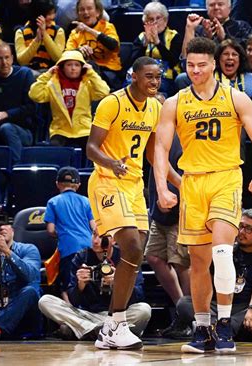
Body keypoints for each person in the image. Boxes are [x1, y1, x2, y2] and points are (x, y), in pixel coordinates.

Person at [154, 37, 252, 353]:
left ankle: (224, 325)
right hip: (192, 183)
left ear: (214, 64)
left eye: (202, 65)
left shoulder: (236, 98)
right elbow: (161, 148)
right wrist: (163, 187)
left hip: (226, 178)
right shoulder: (174, 102)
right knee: (199, 261)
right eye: (190, 65)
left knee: (221, 252)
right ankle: (203, 327)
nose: (195, 70)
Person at [86, 56, 179, 350]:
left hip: (135, 185)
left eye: (158, 77)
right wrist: (111, 163)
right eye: (149, 77)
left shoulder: (155, 108)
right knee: (133, 247)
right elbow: (90, 148)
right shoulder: (112, 103)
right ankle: (116, 324)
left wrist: (179, 182)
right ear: (134, 77)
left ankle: (113, 326)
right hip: (107, 181)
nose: (154, 82)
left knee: (135, 255)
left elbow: (154, 156)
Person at [176, 208, 252, 342]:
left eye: (248, 229)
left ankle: (217, 331)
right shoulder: (229, 249)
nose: (241, 232)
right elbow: (207, 279)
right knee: (185, 302)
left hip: (249, 307)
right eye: (240, 226)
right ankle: (218, 329)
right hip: (225, 307)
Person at [38, 233, 151, 341]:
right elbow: (73, 301)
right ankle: (103, 331)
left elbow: (139, 294)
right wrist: (80, 285)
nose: (96, 241)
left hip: (118, 315)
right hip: (88, 315)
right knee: (45, 301)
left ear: (114, 239)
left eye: (102, 237)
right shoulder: (81, 257)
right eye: (94, 235)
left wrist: (119, 282)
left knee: (144, 310)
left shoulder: (126, 258)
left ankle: (82, 330)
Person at [145, 134, 192, 339]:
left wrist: (171, 198)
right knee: (153, 257)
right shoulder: (154, 137)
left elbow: (185, 175)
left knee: (181, 263)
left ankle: (191, 318)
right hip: (157, 211)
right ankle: (183, 313)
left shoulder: (183, 136)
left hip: (180, 210)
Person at [28, 49, 110, 158]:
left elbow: (104, 91)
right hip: (60, 130)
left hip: (84, 130)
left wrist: (91, 73)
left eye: (77, 65)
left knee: (95, 151)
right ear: (62, 66)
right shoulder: (53, 84)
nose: (73, 68)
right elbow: (34, 94)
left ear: (82, 67)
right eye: (69, 65)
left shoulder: (87, 83)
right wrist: (46, 75)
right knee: (55, 153)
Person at [44, 166, 96, 302]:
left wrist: (61, 233)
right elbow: (94, 227)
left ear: (57, 184)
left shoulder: (53, 202)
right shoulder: (86, 201)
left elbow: (50, 230)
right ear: (78, 185)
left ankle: (71, 316)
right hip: (89, 247)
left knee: (67, 286)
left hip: (68, 249)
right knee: (87, 282)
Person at [0, 225, 42, 340]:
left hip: (23, 314)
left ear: (13, 230)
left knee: (30, 291)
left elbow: (31, 276)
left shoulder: (29, 249)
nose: (1, 228)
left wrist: (7, 251)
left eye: (5, 224)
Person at [0, 42, 35, 164]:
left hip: (22, 131)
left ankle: (17, 171)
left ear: (12, 58)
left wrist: (6, 114)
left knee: (6, 128)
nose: (4, 63)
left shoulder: (24, 75)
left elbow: (31, 108)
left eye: (7, 57)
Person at [176, 38, 252, 98]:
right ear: (217, 59)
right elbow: (185, 68)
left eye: (234, 55)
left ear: (240, 59)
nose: (230, 57)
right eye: (225, 54)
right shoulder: (205, 76)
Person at [66, 0, 122, 91]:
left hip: (108, 71)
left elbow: (114, 46)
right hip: (84, 73)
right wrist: (79, 50)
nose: (85, 12)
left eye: (89, 8)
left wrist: (89, 30)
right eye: (82, 9)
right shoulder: (75, 33)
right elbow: (67, 54)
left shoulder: (107, 27)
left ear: (98, 12)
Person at [129, 1, 181, 97]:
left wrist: (158, 43)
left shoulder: (174, 36)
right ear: (145, 22)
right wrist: (144, 44)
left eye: (158, 18)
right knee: (130, 85)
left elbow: (173, 61)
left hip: (166, 77)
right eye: (151, 19)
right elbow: (133, 62)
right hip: (142, 76)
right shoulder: (141, 37)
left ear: (165, 20)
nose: (154, 22)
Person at [181, 0, 252, 58]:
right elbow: (186, 59)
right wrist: (189, 28)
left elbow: (249, 54)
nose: (216, 7)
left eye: (220, 4)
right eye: (211, 5)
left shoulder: (242, 26)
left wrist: (224, 38)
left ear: (230, 8)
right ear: (206, 9)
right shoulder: (198, 29)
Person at [14, 0, 65, 78]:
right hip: (28, 73)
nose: (52, 17)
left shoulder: (58, 31)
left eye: (53, 13)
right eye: (48, 14)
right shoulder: (20, 32)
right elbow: (22, 61)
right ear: (37, 15)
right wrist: (37, 40)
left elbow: (58, 58)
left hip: (50, 72)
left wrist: (44, 34)